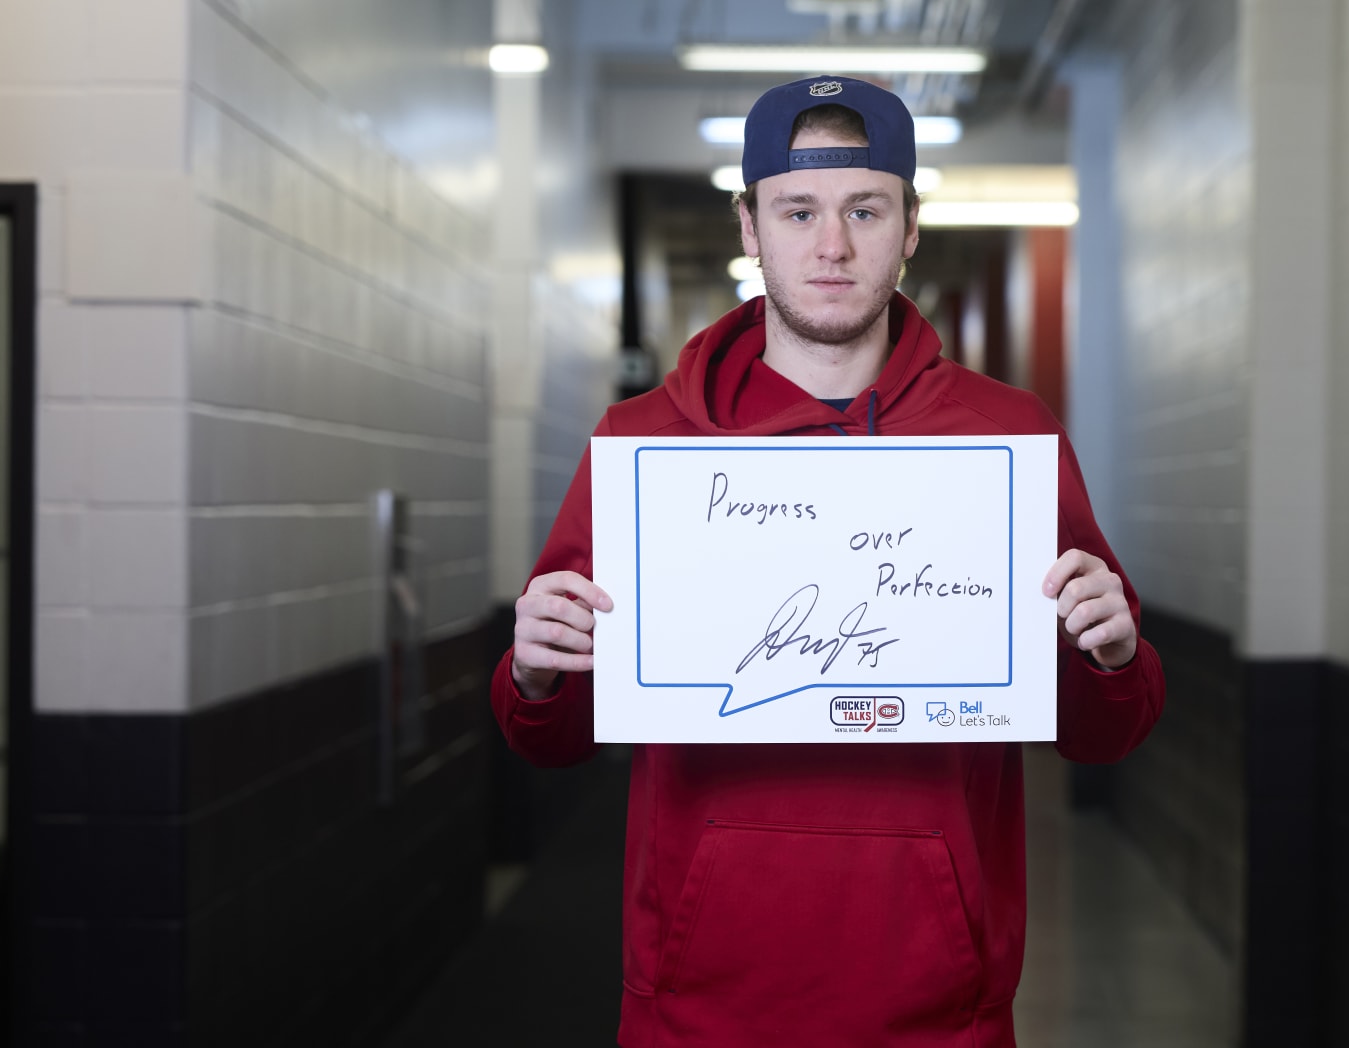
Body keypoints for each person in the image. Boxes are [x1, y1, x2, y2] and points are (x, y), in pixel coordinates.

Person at [490, 75, 1165, 1048]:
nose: (832, 246)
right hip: (694, 1008)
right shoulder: (645, 446)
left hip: (939, 1013)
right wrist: (537, 673)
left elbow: (1106, 732)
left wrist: (1111, 658)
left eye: (865, 210)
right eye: (798, 211)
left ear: (911, 227)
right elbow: (548, 738)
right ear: (751, 227)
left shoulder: (1006, 439)